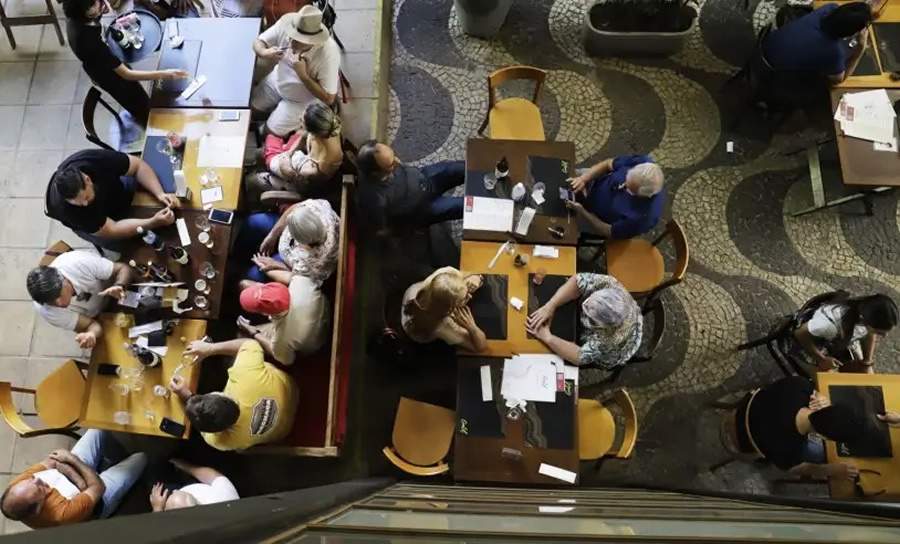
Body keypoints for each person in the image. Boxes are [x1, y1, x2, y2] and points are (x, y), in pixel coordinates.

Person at [63, 0, 188, 128]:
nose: (99, 3)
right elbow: (126, 74)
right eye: (94, 4)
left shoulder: (81, 17)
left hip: (99, 59)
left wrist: (102, 7)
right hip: (107, 75)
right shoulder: (89, 42)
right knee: (139, 105)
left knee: (138, 93)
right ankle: (152, 126)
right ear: (85, 12)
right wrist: (165, 74)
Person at [170, 339, 299, 451]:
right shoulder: (245, 376)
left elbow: (207, 431)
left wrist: (186, 396)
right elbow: (249, 344)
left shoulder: (220, 442)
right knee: (232, 356)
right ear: (222, 395)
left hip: (283, 431)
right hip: (291, 390)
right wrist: (210, 348)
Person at [0, 430, 147, 528]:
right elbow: (99, 488)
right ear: (38, 507)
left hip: (77, 478)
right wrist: (71, 459)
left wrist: (82, 483)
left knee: (97, 431)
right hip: (97, 502)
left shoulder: (19, 487)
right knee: (141, 458)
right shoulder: (61, 515)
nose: (37, 479)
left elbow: (53, 460)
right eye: (40, 488)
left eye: (31, 480)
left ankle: (105, 463)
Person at [732, 376, 866, 479]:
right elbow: (791, 469)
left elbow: (774, 386)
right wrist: (830, 470)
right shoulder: (792, 448)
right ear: (822, 436)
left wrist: (818, 395)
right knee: (817, 454)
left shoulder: (799, 385)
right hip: (742, 441)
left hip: (742, 410)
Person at [45, 149, 179, 252]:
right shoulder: (69, 211)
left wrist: (160, 193)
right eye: (78, 202)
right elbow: (113, 229)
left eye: (85, 198)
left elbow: (137, 166)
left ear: (88, 179)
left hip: (114, 193)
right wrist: (153, 222)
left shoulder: (91, 160)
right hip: (99, 225)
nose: (85, 204)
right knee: (136, 245)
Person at [251, 5, 341, 137]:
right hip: (277, 81)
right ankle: (264, 120)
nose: (291, 42)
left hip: (301, 101)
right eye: (291, 36)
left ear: (312, 41)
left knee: (269, 133)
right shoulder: (285, 24)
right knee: (253, 108)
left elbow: (328, 98)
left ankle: (272, 130)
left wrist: (303, 76)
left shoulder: (328, 54)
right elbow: (258, 42)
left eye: (298, 41)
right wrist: (264, 52)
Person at [527, 274, 642, 368]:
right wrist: (550, 305)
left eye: (589, 312)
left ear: (601, 325)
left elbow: (580, 356)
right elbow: (577, 282)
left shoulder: (610, 340)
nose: (584, 305)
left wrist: (548, 337)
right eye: (588, 302)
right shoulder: (610, 284)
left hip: (614, 352)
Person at [355, 141, 465, 237]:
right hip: (424, 208)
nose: (398, 161)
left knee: (461, 168)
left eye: (394, 156)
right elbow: (381, 230)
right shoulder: (374, 199)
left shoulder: (384, 164)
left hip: (425, 176)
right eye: (391, 164)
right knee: (465, 206)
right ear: (375, 173)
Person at [762, 0, 886, 85]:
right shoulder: (833, 53)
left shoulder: (829, 8)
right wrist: (860, 49)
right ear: (851, 33)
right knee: (821, 87)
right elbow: (839, 80)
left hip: (766, 44)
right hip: (771, 73)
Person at [27, 250, 133, 349]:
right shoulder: (46, 311)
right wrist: (91, 334)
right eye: (51, 302)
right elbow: (91, 325)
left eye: (58, 295)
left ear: (64, 280)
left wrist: (120, 285)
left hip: (116, 289)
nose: (59, 304)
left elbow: (123, 268)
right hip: (100, 316)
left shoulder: (79, 263)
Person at [250, 100, 345, 199]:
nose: (300, 119)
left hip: (304, 185)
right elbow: (304, 136)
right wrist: (289, 153)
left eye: (302, 120)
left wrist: (286, 167)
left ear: (314, 132)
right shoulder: (326, 128)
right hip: (300, 164)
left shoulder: (325, 162)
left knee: (253, 181)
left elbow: (302, 182)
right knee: (258, 154)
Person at [793, 293, 897, 373]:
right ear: (864, 320)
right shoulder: (829, 325)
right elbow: (800, 333)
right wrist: (821, 359)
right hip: (808, 345)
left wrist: (867, 363)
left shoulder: (864, 313)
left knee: (867, 374)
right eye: (879, 332)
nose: (884, 336)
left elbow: (869, 334)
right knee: (829, 382)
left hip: (836, 341)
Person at [566, 155, 665, 240]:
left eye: (629, 189)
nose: (622, 186)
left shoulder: (644, 217)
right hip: (593, 180)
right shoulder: (642, 162)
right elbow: (607, 164)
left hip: (595, 218)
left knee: (565, 224)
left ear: (643, 196)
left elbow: (609, 231)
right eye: (626, 179)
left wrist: (583, 212)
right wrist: (583, 179)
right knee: (564, 175)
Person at [401, 267, 487, 352]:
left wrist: (474, 278)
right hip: (418, 334)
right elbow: (480, 347)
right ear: (450, 309)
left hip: (409, 299)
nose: (470, 296)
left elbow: (461, 275)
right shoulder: (442, 325)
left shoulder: (443, 276)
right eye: (463, 298)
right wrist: (471, 327)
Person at [149, 459, 239, 511]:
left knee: (152, 476)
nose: (175, 491)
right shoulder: (226, 499)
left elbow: (157, 530)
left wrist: (157, 508)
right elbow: (214, 477)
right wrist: (187, 467)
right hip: (196, 485)